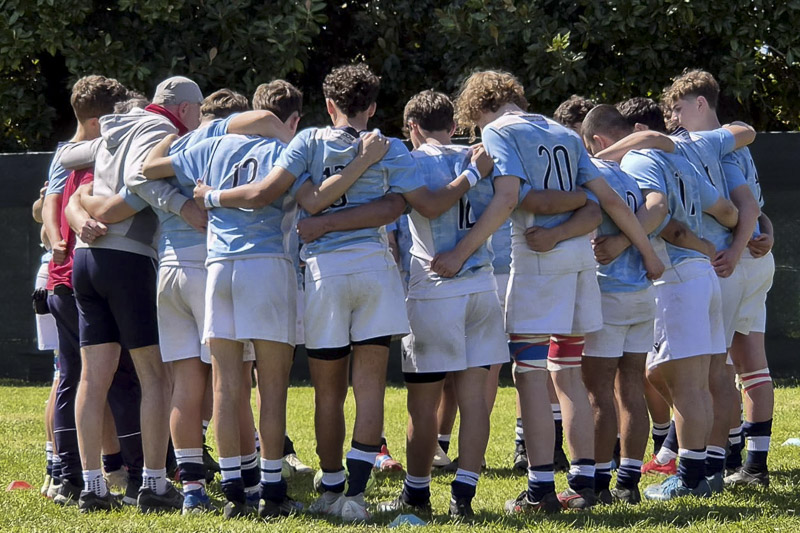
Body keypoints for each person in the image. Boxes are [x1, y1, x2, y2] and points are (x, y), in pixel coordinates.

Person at [437, 70, 655, 513]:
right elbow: (606, 201)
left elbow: (509, 197)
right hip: (580, 264)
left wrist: (461, 251)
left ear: (478, 108)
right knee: (567, 372)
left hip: (538, 262)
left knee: (531, 376)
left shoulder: (498, 130)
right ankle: (583, 481)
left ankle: (540, 490)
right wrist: (649, 252)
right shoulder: (561, 130)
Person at [584, 103, 742, 500]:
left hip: (675, 280)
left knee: (688, 386)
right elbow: (724, 209)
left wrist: (622, 240)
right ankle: (703, 470)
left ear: (602, 142)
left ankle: (689, 480)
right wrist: (714, 243)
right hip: (701, 278)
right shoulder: (682, 160)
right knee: (688, 381)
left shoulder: (636, 160)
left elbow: (658, 210)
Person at [66, 76, 206, 512]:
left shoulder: (117, 125)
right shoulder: (165, 133)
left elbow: (69, 154)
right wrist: (110, 207)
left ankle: (93, 486)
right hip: (129, 259)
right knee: (154, 376)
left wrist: (84, 200)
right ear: (185, 109)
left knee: (93, 377)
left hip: (86, 261)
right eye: (198, 111)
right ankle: (154, 483)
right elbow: (141, 179)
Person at [370, 90, 504, 518]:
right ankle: (463, 498)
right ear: (454, 124)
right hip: (482, 284)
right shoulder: (483, 153)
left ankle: (418, 494)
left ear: (411, 127)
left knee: (422, 404)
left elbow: (428, 209)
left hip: (434, 287)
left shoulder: (414, 159)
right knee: (475, 398)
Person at [665, 69, 774, 488]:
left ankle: (710, 462)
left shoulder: (712, 148)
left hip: (732, 260)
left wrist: (737, 246)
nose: (674, 118)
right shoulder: (732, 143)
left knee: (713, 367)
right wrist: (764, 231)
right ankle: (751, 466)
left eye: (678, 108)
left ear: (700, 104)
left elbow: (744, 206)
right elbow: (756, 206)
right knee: (752, 364)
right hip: (755, 261)